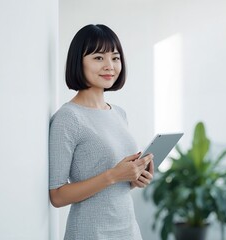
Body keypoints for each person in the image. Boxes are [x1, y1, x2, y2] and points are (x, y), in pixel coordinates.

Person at [48, 24, 153, 240]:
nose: (109, 66)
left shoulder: (119, 113)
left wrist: (132, 178)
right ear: (79, 62)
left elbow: (112, 186)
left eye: (115, 58)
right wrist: (113, 175)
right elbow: (57, 196)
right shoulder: (68, 118)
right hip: (91, 233)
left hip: (128, 231)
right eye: (98, 58)